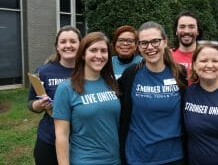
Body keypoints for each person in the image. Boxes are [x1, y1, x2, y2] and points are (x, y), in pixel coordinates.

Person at [118, 21, 187, 164]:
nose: (150, 47)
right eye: (144, 43)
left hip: (174, 157)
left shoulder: (179, 73)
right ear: (138, 47)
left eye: (155, 41)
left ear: (165, 42)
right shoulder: (130, 75)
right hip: (138, 157)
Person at [52, 32, 121, 165]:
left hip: (115, 160)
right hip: (85, 160)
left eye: (104, 51)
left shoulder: (112, 83)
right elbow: (61, 136)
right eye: (93, 50)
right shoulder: (66, 88)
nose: (99, 56)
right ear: (83, 54)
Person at [27, 26, 81, 165]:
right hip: (49, 139)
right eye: (63, 42)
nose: (68, 45)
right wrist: (38, 105)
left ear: (80, 45)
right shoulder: (44, 71)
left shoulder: (88, 70)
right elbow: (31, 102)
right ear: (57, 46)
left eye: (73, 41)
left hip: (81, 140)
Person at [171, 11, 202, 75]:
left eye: (191, 27)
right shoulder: (167, 56)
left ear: (198, 31)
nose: (186, 31)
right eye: (182, 27)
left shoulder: (207, 56)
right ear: (176, 31)